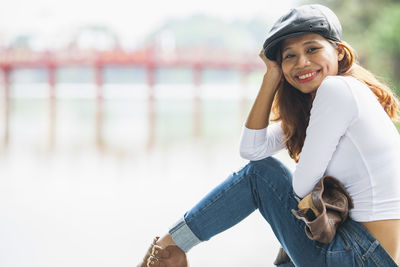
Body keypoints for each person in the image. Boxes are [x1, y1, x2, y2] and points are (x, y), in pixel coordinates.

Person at [137, 4, 400, 267]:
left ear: (339, 52)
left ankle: (169, 247)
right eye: (289, 56)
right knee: (287, 239)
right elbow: (252, 148)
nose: (302, 62)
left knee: (262, 174)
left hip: (359, 255)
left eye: (312, 49)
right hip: (366, 253)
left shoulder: (337, 90)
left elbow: (294, 184)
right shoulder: (336, 100)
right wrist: (271, 78)